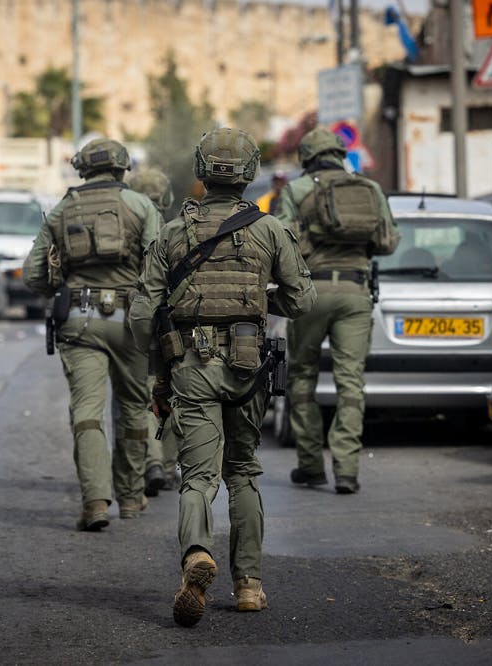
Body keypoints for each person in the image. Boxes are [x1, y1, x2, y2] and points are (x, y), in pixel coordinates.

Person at [129, 127, 316, 627]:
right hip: (249, 367)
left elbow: (142, 314)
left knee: (198, 477)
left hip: (191, 367)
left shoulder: (172, 232)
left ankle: (195, 556)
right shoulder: (270, 229)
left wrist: (155, 363)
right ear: (250, 172)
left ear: (200, 170)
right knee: (244, 470)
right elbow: (301, 300)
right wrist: (257, 300)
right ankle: (250, 585)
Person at [23, 138, 162, 530]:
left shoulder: (62, 209)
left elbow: (34, 275)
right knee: (135, 408)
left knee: (87, 412)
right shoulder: (141, 206)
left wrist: (62, 284)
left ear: (83, 169)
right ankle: (132, 499)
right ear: (121, 169)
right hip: (132, 321)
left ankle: (96, 503)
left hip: (80, 321)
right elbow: (158, 268)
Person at [278, 127, 398, 495]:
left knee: (301, 376)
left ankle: (311, 465)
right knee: (350, 382)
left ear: (307, 158)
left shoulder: (296, 190)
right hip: (355, 292)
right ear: (339, 154)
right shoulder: (369, 188)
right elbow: (389, 242)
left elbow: (282, 245)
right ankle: (347, 471)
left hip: (311, 291)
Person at [126, 167, 179, 497]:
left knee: (142, 393)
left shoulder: (126, 223)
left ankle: (150, 462)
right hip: (168, 320)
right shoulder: (173, 229)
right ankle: (168, 466)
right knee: (168, 391)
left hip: (135, 316)